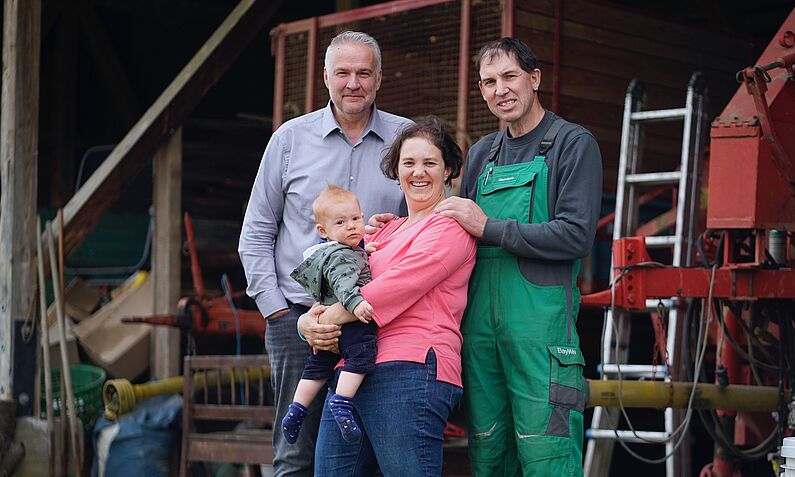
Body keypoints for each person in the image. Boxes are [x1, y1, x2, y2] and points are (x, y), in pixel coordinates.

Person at [238, 31, 412, 476]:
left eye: (363, 73)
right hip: (300, 321)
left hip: (375, 320)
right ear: (325, 77)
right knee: (295, 453)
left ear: (379, 79)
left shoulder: (406, 141)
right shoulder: (289, 140)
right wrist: (279, 316)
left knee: (364, 451)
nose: (353, 83)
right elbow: (256, 232)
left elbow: (425, 226)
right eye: (343, 73)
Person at [434, 38, 602, 476]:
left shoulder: (572, 144)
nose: (500, 90)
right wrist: (396, 227)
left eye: (509, 76)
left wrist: (489, 228)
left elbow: (576, 235)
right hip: (481, 339)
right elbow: (453, 235)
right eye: (488, 82)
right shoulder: (480, 155)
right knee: (488, 458)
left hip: (542, 342)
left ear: (534, 78)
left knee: (548, 457)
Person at [298, 117, 476, 476]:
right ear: (396, 170)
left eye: (430, 163)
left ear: (449, 169)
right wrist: (306, 322)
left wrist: (325, 321)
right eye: (408, 163)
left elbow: (396, 288)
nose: (418, 172)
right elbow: (339, 283)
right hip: (354, 370)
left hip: (411, 368)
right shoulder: (385, 230)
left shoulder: (449, 226)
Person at [283, 185, 377, 445]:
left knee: (317, 367)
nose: (352, 226)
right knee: (362, 354)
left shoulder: (330, 252)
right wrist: (357, 304)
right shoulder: (342, 258)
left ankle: (297, 408)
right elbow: (344, 283)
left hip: (327, 329)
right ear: (323, 231)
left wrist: (364, 250)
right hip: (351, 322)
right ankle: (343, 402)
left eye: (356, 219)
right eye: (341, 222)